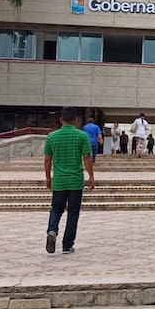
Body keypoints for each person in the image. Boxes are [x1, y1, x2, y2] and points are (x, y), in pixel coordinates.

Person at [44, 107, 95, 255]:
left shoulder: (51, 137)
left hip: (59, 181)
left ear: (60, 120)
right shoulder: (82, 136)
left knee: (56, 209)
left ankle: (52, 231)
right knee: (73, 213)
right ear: (76, 120)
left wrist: (48, 177)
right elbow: (87, 157)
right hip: (75, 181)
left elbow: (47, 159)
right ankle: (67, 245)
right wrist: (91, 176)